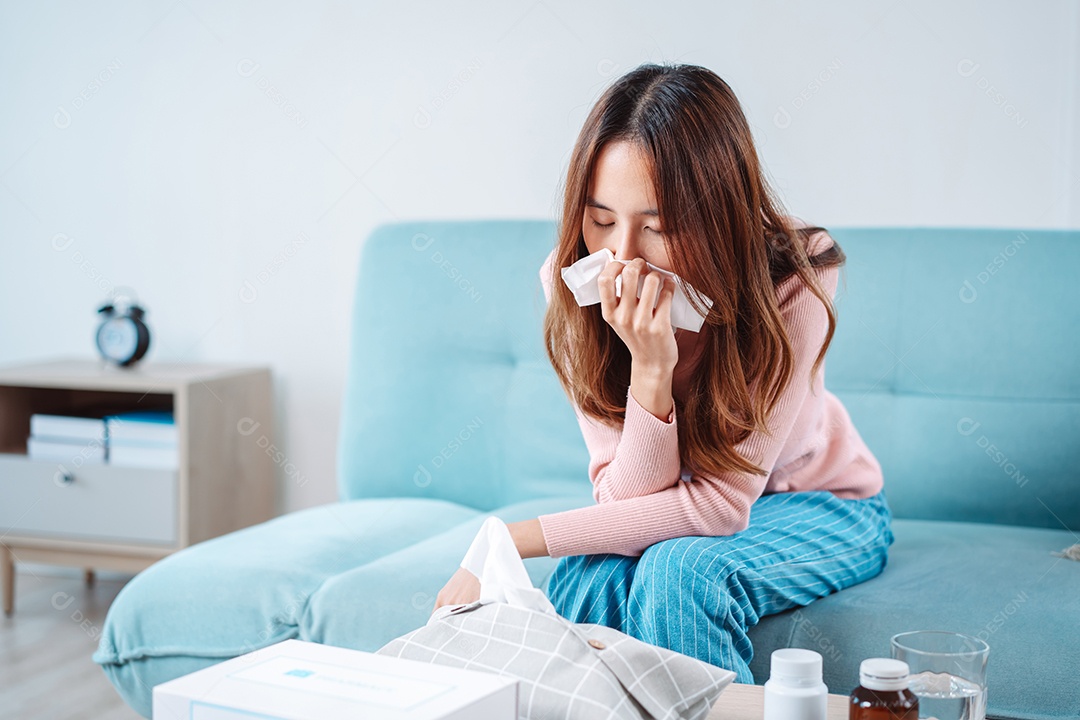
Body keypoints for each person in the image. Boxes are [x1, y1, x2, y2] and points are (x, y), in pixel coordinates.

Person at [434, 62, 895, 685]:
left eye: (657, 227)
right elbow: (622, 500)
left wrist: (509, 539)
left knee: (681, 571)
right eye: (601, 220)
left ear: (719, 218)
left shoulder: (795, 274)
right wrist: (649, 371)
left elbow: (721, 507)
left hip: (822, 503)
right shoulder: (572, 283)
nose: (620, 256)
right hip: (693, 510)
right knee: (589, 573)